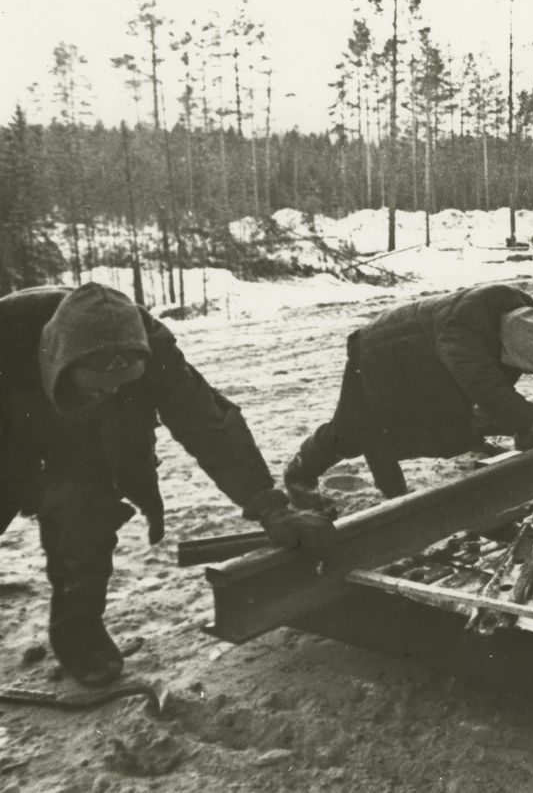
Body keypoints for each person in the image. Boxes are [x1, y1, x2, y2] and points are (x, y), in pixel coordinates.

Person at [0, 283, 333, 687]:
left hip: (84, 444)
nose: (110, 394)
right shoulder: (9, 330)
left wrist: (269, 506)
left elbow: (208, 424)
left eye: (121, 387)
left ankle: (79, 634)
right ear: (61, 359)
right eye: (98, 385)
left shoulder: (152, 345)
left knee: (86, 516)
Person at [283, 285, 533, 513]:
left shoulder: (522, 319)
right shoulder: (463, 333)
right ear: (502, 347)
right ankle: (301, 474)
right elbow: (486, 386)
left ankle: (466, 438)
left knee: (452, 434)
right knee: (356, 431)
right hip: (381, 357)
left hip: (431, 367)